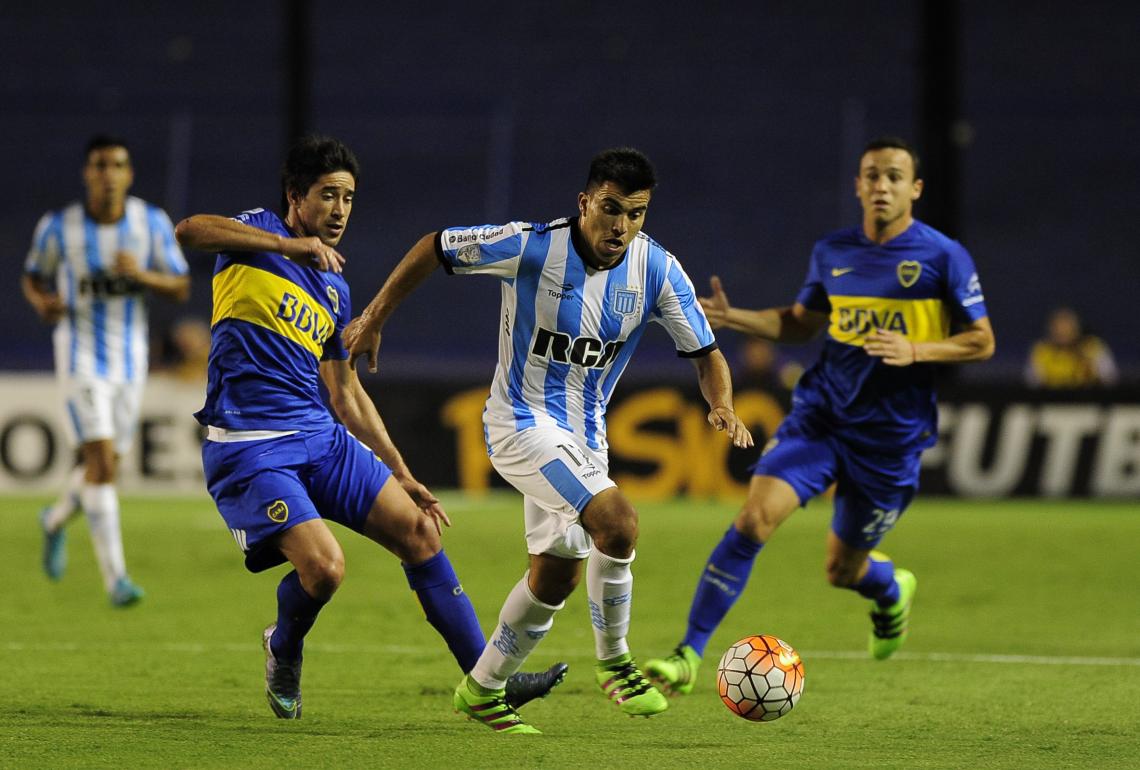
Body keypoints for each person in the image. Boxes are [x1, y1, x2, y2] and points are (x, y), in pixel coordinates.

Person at [344, 147, 754, 734]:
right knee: (619, 522)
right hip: (519, 424)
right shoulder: (532, 246)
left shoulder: (658, 270)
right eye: (610, 209)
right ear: (585, 202)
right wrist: (376, 316)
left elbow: (707, 354)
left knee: (557, 572)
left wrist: (722, 405)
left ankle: (482, 690)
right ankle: (616, 664)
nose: (621, 226)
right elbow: (435, 245)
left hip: (586, 439)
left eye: (636, 214)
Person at [173, 135, 564, 721]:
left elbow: (345, 391)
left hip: (320, 438)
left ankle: (487, 684)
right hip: (251, 447)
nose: (339, 210)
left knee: (420, 532)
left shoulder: (335, 287)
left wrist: (402, 472)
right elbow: (187, 231)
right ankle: (283, 646)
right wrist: (286, 244)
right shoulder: (253, 237)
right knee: (325, 570)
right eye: (327, 195)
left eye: (349, 198)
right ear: (293, 197)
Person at [645, 136, 996, 693]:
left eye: (894, 177)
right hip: (821, 417)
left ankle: (890, 590)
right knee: (753, 519)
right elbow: (801, 322)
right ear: (858, 185)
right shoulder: (833, 252)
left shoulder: (943, 256)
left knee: (842, 571)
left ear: (915, 189)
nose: (882, 185)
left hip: (890, 437)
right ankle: (687, 655)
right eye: (872, 175)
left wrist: (918, 350)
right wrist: (736, 318)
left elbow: (981, 342)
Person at [22, 134, 191, 606]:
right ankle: (116, 579)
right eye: (99, 165)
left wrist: (143, 276)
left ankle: (54, 520)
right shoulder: (60, 228)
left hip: (130, 360)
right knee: (99, 464)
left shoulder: (151, 223)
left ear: (129, 174)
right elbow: (34, 276)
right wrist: (44, 304)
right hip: (78, 357)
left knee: (105, 467)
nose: (108, 174)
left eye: (117, 165)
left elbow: (179, 286)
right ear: (87, 173)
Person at [1025, 306, 1118, 388]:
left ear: (1077, 328)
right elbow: (1032, 383)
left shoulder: (1093, 347)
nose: (1062, 332)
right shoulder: (1041, 350)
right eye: (1058, 327)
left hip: (1087, 401)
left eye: (1067, 327)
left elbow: (1110, 379)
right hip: (1052, 402)